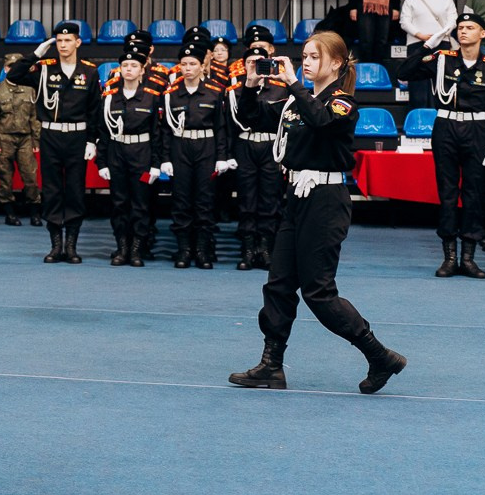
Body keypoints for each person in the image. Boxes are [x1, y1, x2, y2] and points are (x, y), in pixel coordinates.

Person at [229, 31, 408, 393]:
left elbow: (322, 121)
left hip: (326, 199)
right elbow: (252, 118)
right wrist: (250, 85)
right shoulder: (298, 100)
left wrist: (293, 84)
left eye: (313, 56)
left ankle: (379, 356)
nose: (305, 62)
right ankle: (271, 365)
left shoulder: (343, 103)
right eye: (304, 56)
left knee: (318, 292)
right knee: (278, 284)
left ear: (336, 63)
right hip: (296, 195)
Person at [400, 9, 485, 279]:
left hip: (478, 130)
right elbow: (403, 72)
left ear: (482, 34)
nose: (464, 31)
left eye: (470, 28)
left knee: (473, 194)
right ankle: (449, 257)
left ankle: (468, 258)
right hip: (446, 127)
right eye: (460, 28)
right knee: (448, 193)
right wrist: (427, 45)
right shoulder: (441, 60)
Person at [7, 21, 101, 263]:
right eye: (59, 41)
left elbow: (94, 110)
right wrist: (36, 54)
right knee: (51, 190)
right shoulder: (44, 69)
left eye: (68, 40)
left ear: (78, 42)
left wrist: (92, 141)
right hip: (51, 135)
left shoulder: (89, 72)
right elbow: (14, 75)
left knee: (75, 191)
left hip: (77, 137)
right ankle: (55, 244)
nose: (63, 45)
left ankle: (71, 246)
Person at [158, 27, 235, 269]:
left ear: (202, 66)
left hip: (206, 147)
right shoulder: (171, 95)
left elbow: (222, 127)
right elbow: (165, 130)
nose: (188, 68)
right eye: (184, 64)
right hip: (181, 147)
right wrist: (166, 158)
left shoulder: (214, 92)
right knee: (181, 200)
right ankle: (183, 249)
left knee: (204, 200)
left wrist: (222, 156)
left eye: (193, 63)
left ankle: (202, 249)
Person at [228, 24, 291, 271]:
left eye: (260, 61)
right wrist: (250, 86)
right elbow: (237, 122)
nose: (256, 65)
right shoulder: (237, 91)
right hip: (245, 145)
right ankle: (247, 248)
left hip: (271, 146)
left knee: (270, 199)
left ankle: (265, 248)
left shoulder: (282, 88)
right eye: (251, 62)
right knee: (246, 199)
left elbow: (287, 123)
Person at [96, 35, 163, 267]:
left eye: (134, 65)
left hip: (141, 152)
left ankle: (137, 249)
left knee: (140, 203)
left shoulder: (152, 96)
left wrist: (156, 163)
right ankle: (122, 247)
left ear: (142, 69)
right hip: (117, 151)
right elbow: (103, 131)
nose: (129, 69)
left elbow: (157, 133)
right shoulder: (109, 98)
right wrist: (101, 162)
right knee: (119, 203)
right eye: (125, 65)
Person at [0, 51, 43, 226]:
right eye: (9, 66)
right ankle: (9, 213)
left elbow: (35, 118)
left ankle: (35, 212)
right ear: (5, 68)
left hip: (25, 138)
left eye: (16, 66)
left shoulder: (30, 89)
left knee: (30, 177)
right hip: (4, 138)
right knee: (5, 178)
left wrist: (36, 140)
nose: (12, 69)